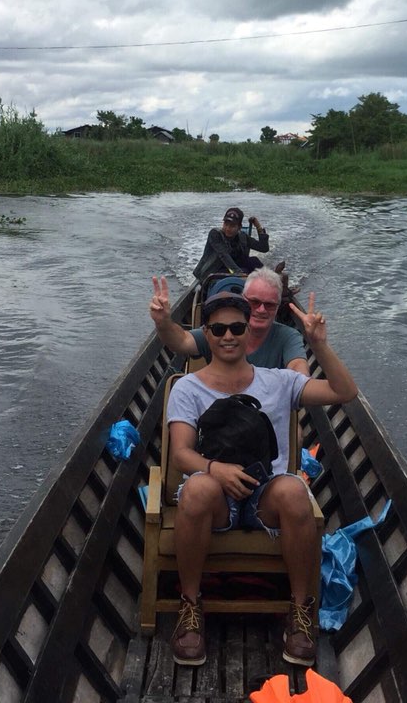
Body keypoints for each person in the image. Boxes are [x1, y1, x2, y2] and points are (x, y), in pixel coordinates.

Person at [164, 289, 357, 668]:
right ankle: (190, 607)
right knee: (198, 489)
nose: (228, 336)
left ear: (248, 332)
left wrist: (320, 346)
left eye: (237, 327)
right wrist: (214, 469)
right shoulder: (187, 387)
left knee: (293, 489)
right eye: (218, 329)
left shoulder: (280, 381)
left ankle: (299, 613)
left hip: (264, 493)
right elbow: (182, 453)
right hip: (216, 496)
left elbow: (344, 392)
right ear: (207, 333)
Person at [149, 268, 309, 375]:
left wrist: (318, 343)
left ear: (278, 306)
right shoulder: (220, 332)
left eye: (269, 305)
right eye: (254, 302)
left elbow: (298, 370)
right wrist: (163, 322)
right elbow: (181, 341)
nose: (261, 310)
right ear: (244, 300)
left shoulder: (288, 336)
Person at [193, 207, 269, 280]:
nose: (228, 228)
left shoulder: (242, 236)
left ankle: (269, 280)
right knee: (245, 271)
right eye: (226, 224)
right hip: (211, 272)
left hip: (231, 270)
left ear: (239, 227)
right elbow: (224, 255)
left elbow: (263, 248)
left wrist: (258, 226)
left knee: (254, 261)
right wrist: (240, 274)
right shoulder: (215, 234)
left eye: (232, 226)